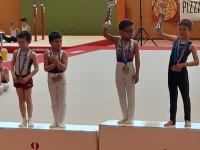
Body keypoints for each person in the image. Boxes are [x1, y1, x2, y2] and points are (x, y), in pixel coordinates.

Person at [157, 19, 199, 127]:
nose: (182, 32)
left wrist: (183, 65)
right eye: (180, 29)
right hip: (171, 72)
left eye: (184, 30)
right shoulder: (175, 39)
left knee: (185, 96)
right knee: (173, 96)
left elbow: (197, 61)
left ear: (190, 30)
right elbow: (160, 34)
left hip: (182, 73)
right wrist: (160, 20)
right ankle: (172, 119)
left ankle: (187, 120)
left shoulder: (191, 46)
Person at [103, 16, 140, 124]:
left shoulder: (134, 43)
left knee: (130, 94)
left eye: (132, 30)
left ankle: (131, 117)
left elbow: (137, 59)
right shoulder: (116, 40)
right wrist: (107, 20)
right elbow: (105, 34)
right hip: (119, 68)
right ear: (121, 32)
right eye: (128, 31)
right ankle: (125, 116)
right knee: (121, 94)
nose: (131, 33)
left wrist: (137, 73)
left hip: (130, 68)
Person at [10, 31, 39, 127]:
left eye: (22, 42)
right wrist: (13, 75)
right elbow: (11, 65)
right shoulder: (15, 52)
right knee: (21, 99)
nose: (20, 44)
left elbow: (36, 68)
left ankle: (30, 119)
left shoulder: (32, 54)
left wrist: (27, 78)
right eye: (18, 42)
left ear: (29, 42)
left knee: (28, 99)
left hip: (26, 78)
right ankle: (23, 119)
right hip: (17, 78)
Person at [44, 31, 68, 128]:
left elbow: (64, 68)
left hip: (61, 77)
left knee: (62, 101)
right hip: (51, 77)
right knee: (54, 101)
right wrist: (54, 63)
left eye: (60, 41)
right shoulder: (47, 54)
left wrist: (57, 61)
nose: (59, 44)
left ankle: (62, 121)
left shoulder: (63, 54)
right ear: (50, 43)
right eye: (56, 41)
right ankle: (56, 121)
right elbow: (46, 68)